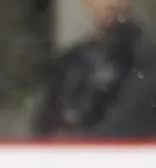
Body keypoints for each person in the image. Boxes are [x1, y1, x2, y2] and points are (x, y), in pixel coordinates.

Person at [33, 0, 156, 138]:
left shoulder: (147, 59)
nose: (111, 3)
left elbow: (130, 123)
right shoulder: (72, 62)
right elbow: (45, 125)